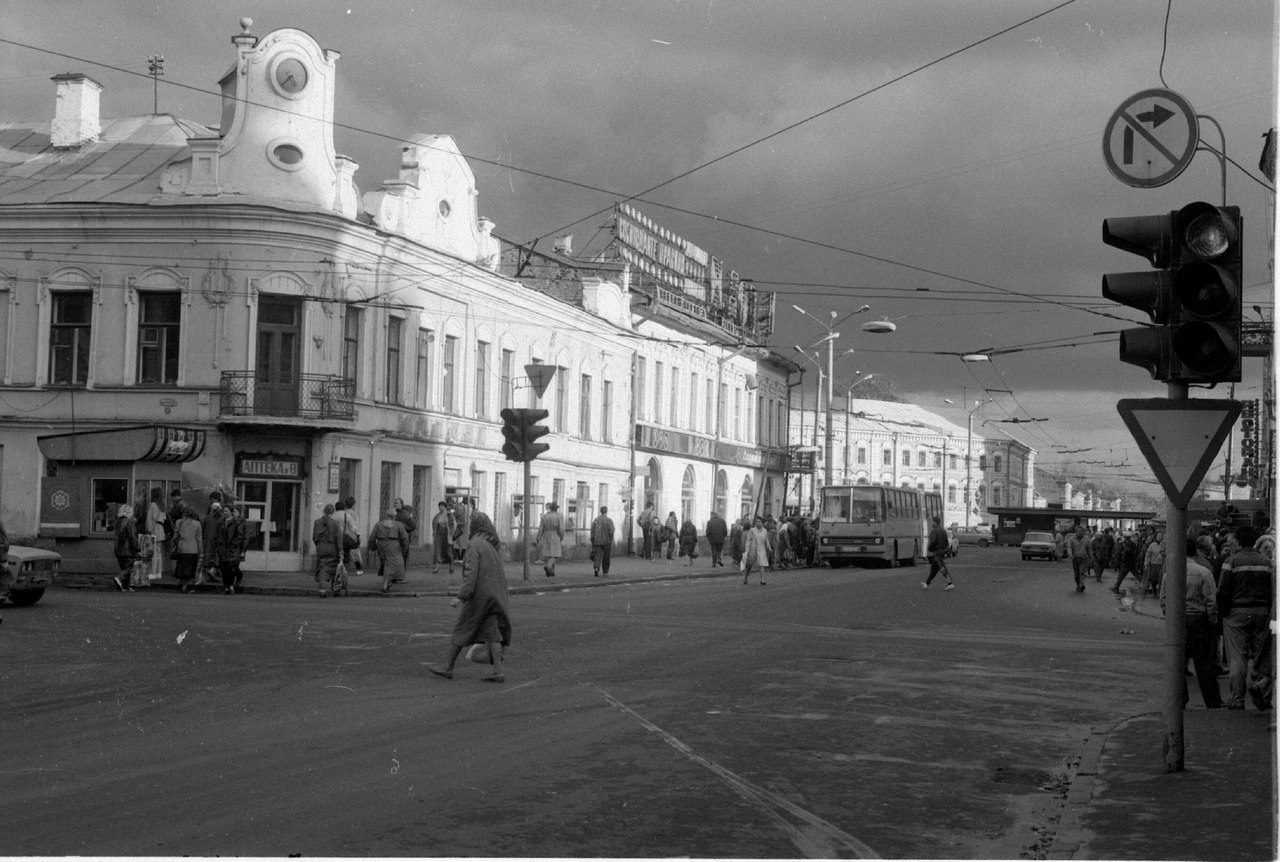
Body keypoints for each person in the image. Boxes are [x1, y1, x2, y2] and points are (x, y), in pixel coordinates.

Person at [426, 512, 512, 683]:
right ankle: (497, 672)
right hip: (494, 597)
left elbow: (471, 574)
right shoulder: (490, 546)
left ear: (475, 526)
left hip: (479, 597)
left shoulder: (474, 545)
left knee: (461, 629)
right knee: (493, 634)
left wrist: (461, 596)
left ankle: (448, 668)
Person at [1160, 538, 1223, 709]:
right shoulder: (1204, 572)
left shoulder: (1170, 573)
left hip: (1178, 621)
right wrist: (1212, 621)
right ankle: (1213, 702)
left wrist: (1169, 616)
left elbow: (1164, 599)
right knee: (1205, 665)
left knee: (1177, 664)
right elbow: (1210, 601)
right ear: (1195, 551)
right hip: (1199, 621)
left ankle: (1181, 699)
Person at [1217, 525, 1275, 711]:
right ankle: (1262, 693)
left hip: (1236, 613)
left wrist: (1224, 613)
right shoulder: (1267, 563)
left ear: (1239, 541)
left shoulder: (1231, 562)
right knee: (1261, 656)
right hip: (1262, 613)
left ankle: (1236, 699)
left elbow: (1223, 590)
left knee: (1237, 658)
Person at [368, 507, 410, 594]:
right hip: (393, 545)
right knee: (394, 563)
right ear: (395, 516)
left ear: (386, 515)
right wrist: (404, 549)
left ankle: (388, 581)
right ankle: (386, 582)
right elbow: (405, 538)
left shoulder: (379, 524)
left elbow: (372, 537)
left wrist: (372, 547)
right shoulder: (398, 525)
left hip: (381, 545)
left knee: (386, 562)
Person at [312, 503, 344, 598]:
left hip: (321, 547)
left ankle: (322, 591)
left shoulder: (317, 522)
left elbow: (314, 537)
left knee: (322, 569)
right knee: (335, 569)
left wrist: (319, 546)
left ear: (324, 511)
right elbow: (339, 539)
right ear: (333, 512)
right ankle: (336, 590)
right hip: (332, 548)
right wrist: (341, 552)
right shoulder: (335, 524)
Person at [215, 506, 247, 594]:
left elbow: (240, 536)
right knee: (223, 568)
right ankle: (226, 586)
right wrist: (219, 545)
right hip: (223, 549)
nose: (224, 513)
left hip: (232, 550)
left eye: (226, 511)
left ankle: (231, 586)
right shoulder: (220, 522)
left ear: (231, 512)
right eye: (224, 511)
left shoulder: (236, 523)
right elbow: (217, 535)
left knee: (231, 568)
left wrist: (233, 545)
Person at [171, 506, 202, 593]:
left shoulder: (179, 522)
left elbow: (175, 536)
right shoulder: (197, 524)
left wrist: (174, 545)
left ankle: (181, 582)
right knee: (190, 568)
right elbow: (199, 539)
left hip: (182, 548)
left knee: (181, 567)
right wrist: (200, 551)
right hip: (193, 549)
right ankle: (185, 585)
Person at [922, 515, 956, 590]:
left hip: (937, 552)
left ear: (935, 522)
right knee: (934, 568)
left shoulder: (934, 531)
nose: (931, 523)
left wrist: (930, 548)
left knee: (941, 567)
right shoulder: (943, 531)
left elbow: (933, 542)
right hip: (942, 551)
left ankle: (950, 583)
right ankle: (927, 583)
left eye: (932, 522)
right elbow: (946, 542)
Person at [113, 503, 140, 591]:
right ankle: (119, 578)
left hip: (118, 548)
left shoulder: (118, 522)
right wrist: (137, 548)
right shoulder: (129, 522)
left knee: (124, 567)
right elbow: (132, 537)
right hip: (127, 548)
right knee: (131, 566)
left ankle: (126, 586)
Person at [145, 488, 169, 581]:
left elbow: (150, 519)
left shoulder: (153, 505)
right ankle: (159, 572)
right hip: (161, 529)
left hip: (154, 529)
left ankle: (152, 572)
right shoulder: (162, 505)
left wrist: (148, 530)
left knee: (153, 553)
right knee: (159, 553)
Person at [199, 501, 224, 587]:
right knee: (216, 560)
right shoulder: (222, 519)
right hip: (218, 543)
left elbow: (202, 530)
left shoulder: (206, 518)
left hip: (208, 542)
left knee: (207, 560)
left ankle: (205, 577)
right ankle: (213, 575)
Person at [536, 501, 564, 577]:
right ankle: (548, 566)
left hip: (546, 535)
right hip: (555, 535)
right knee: (555, 554)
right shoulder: (558, 517)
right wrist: (561, 536)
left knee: (549, 554)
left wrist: (539, 536)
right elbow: (561, 529)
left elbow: (541, 528)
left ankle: (551, 572)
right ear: (556, 509)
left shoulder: (545, 516)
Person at [741, 515, 772, 586]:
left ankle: (762, 580)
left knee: (761, 564)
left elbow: (766, 540)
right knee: (750, 565)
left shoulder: (764, 531)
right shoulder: (752, 531)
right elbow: (748, 541)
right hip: (753, 549)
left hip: (761, 549)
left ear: (762, 523)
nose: (758, 523)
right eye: (757, 522)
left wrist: (769, 548)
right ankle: (745, 577)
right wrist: (747, 551)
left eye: (759, 522)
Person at [340, 496, 364, 575]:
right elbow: (355, 525)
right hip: (352, 534)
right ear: (353, 504)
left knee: (345, 551)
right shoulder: (354, 513)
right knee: (355, 551)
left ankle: (344, 569)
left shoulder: (344, 512)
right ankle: (359, 569)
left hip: (344, 534)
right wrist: (358, 535)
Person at [590, 506, 615, 577]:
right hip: (607, 541)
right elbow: (611, 531)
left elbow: (592, 530)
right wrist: (611, 539)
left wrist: (592, 539)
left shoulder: (596, 520)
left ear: (600, 511)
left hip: (597, 540)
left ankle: (596, 568)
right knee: (606, 556)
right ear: (606, 512)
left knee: (597, 555)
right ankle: (605, 571)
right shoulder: (609, 520)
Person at [431, 501, 455, 575]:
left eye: (441, 506)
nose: (440, 507)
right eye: (439, 506)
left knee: (448, 551)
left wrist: (451, 533)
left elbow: (452, 525)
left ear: (445, 507)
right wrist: (434, 532)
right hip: (439, 533)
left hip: (447, 534)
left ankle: (452, 565)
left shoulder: (449, 515)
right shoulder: (437, 516)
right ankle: (436, 567)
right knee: (437, 550)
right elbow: (434, 523)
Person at [1066, 525, 1090, 592]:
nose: (1080, 532)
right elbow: (1069, 547)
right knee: (1076, 574)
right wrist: (1070, 554)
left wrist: (1091, 557)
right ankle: (1078, 584)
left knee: (1082, 573)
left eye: (1082, 531)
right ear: (1076, 532)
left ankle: (1081, 585)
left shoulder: (1087, 539)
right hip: (1075, 558)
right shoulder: (1071, 539)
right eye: (1079, 531)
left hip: (1084, 558)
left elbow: (1089, 549)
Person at [1141, 532, 1165, 597]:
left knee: (1160, 580)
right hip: (1153, 564)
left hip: (1161, 565)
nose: (1160, 537)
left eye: (1161, 536)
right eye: (1159, 536)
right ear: (1156, 537)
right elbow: (1148, 555)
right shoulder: (1152, 545)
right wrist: (1146, 563)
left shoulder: (1164, 545)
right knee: (1153, 580)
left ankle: (1158, 593)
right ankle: (1153, 591)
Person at [394, 498, 417, 567]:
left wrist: (404, 527)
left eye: (397, 503)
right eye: (395, 503)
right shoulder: (395, 513)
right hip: (395, 537)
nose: (395, 505)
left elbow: (413, 526)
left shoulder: (405, 514)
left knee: (403, 554)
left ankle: (402, 570)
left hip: (404, 537)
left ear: (401, 504)